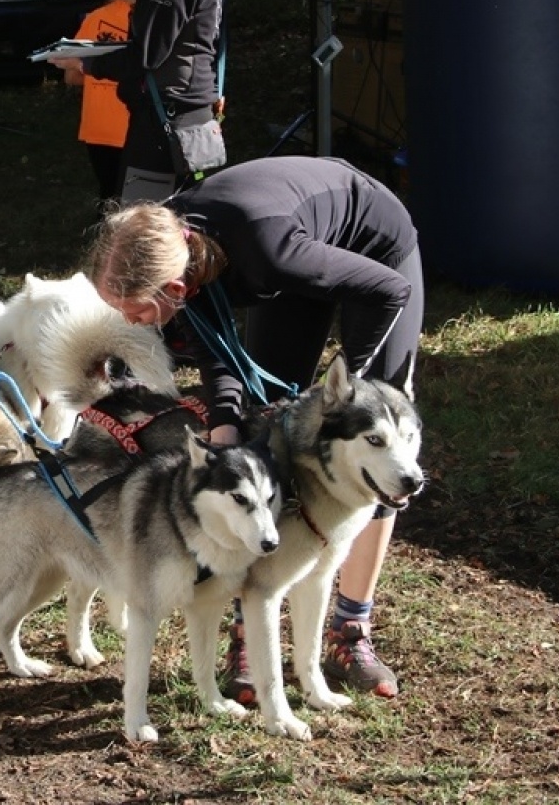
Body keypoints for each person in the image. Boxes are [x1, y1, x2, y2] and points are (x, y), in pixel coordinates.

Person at [83, 155, 423, 700]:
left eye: (135, 312)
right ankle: (252, 623)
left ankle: (350, 628)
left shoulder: (268, 252)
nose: (129, 324)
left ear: (173, 286)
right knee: (265, 434)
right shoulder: (174, 248)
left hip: (375, 256)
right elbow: (221, 362)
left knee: (376, 446)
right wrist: (225, 436)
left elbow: (386, 290)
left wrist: (346, 391)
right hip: (293, 255)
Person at [49, 0, 228, 203]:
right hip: (195, 115)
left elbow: (145, 55)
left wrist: (83, 60)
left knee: (142, 228)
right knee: (182, 223)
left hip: (165, 122)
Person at [57, 0, 145, 205]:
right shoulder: (158, 19)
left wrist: (94, 71)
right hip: (130, 128)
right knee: (139, 203)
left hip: (105, 129)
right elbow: (71, 76)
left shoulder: (96, 19)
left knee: (113, 200)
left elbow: (71, 77)